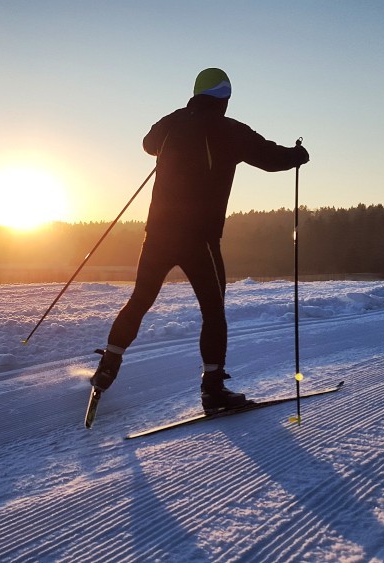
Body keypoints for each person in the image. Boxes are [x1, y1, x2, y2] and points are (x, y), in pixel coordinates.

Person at [91, 68, 309, 413]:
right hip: (199, 239)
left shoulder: (171, 124)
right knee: (213, 311)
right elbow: (271, 159)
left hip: (157, 234)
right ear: (224, 98)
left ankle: (108, 366)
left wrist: (180, 128)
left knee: (140, 299)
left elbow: (148, 144)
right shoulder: (230, 130)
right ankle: (213, 390)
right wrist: (298, 154)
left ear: (195, 93)